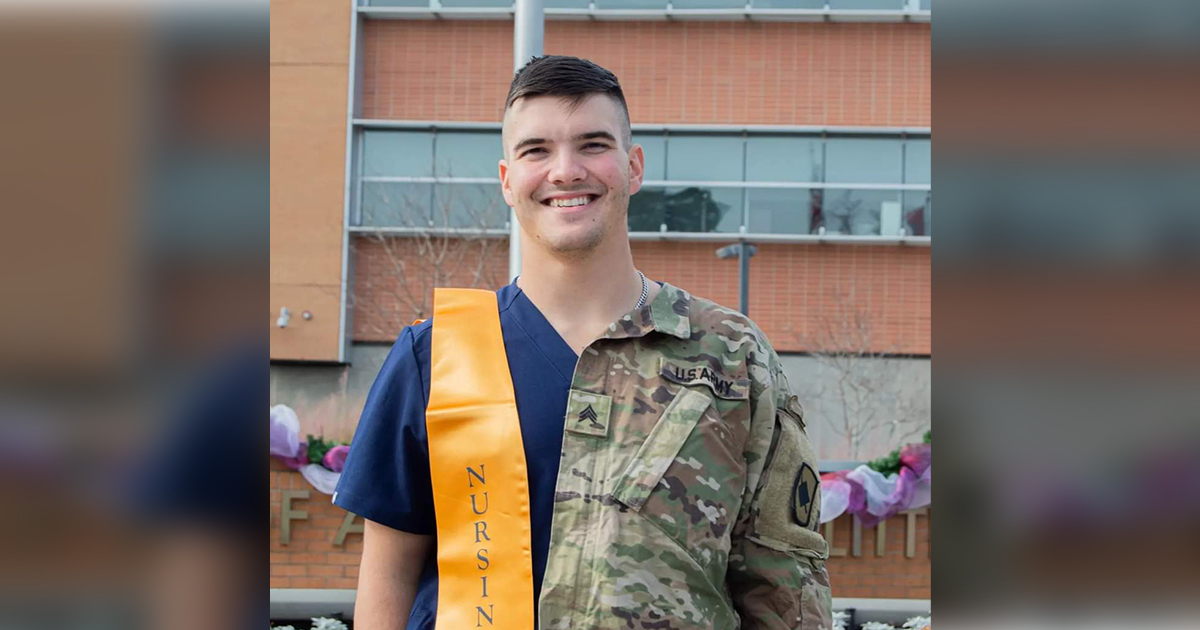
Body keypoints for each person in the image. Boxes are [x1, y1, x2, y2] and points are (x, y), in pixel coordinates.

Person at [335, 55, 831, 629]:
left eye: (593, 144)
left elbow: (784, 589)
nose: (566, 171)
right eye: (536, 150)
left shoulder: (731, 355)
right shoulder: (437, 355)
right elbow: (387, 580)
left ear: (634, 166)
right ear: (506, 180)